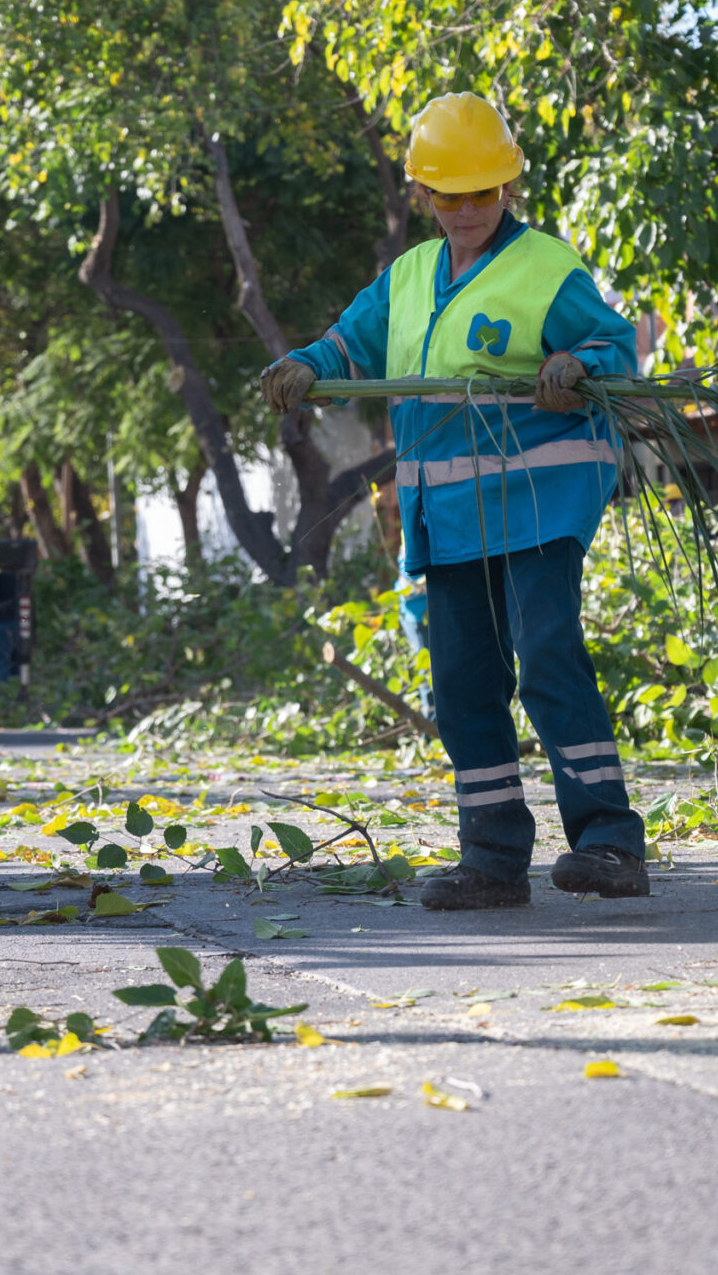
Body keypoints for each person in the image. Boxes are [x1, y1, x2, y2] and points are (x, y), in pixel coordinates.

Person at [263, 91, 645, 910]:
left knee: (547, 657)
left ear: (508, 188)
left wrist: (576, 365)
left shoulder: (547, 266)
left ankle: (610, 841)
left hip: (538, 506)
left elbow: (615, 345)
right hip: (447, 520)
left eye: (482, 192)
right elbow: (345, 343)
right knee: (463, 680)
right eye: (449, 193)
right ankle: (492, 859)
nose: (466, 208)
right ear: (425, 195)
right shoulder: (405, 280)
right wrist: (303, 363)